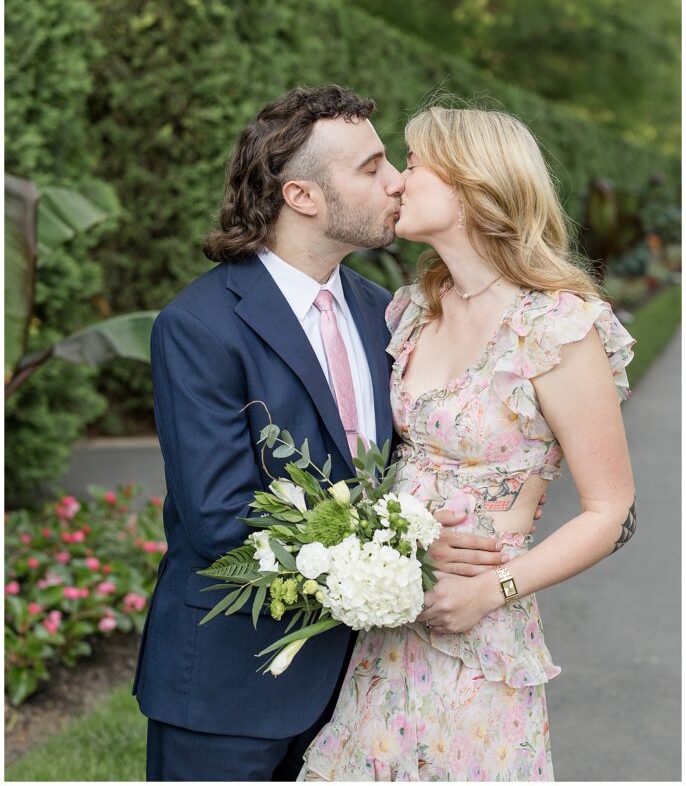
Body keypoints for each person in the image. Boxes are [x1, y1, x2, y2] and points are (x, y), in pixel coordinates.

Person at [131, 85, 543, 782]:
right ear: (303, 197)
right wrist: (408, 551)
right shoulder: (199, 326)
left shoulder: (386, 311)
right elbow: (219, 517)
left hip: (368, 685)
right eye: (371, 167)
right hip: (230, 686)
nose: (397, 181)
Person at [298, 102, 637, 782]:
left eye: (414, 166)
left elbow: (612, 512)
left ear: (472, 185)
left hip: (476, 637)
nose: (395, 181)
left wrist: (492, 591)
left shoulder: (556, 329)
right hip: (386, 628)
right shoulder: (412, 310)